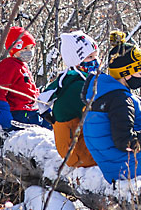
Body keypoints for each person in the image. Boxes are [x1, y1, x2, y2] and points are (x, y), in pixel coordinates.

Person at [81, 31, 141, 183]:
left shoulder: (101, 93)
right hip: (134, 169)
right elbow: (126, 142)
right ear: (126, 72)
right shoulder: (120, 99)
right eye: (140, 72)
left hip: (116, 167)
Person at [43, 31, 100, 168]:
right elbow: (97, 119)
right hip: (78, 154)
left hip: (74, 149)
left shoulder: (71, 79)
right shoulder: (78, 86)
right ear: (76, 61)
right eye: (90, 57)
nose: (96, 61)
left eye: (96, 56)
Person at [0, 25, 51, 133]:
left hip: (33, 112)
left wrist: (45, 110)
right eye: (25, 48)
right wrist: (4, 113)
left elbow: (31, 91)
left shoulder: (22, 66)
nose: (29, 52)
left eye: (31, 48)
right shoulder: (10, 65)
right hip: (20, 115)